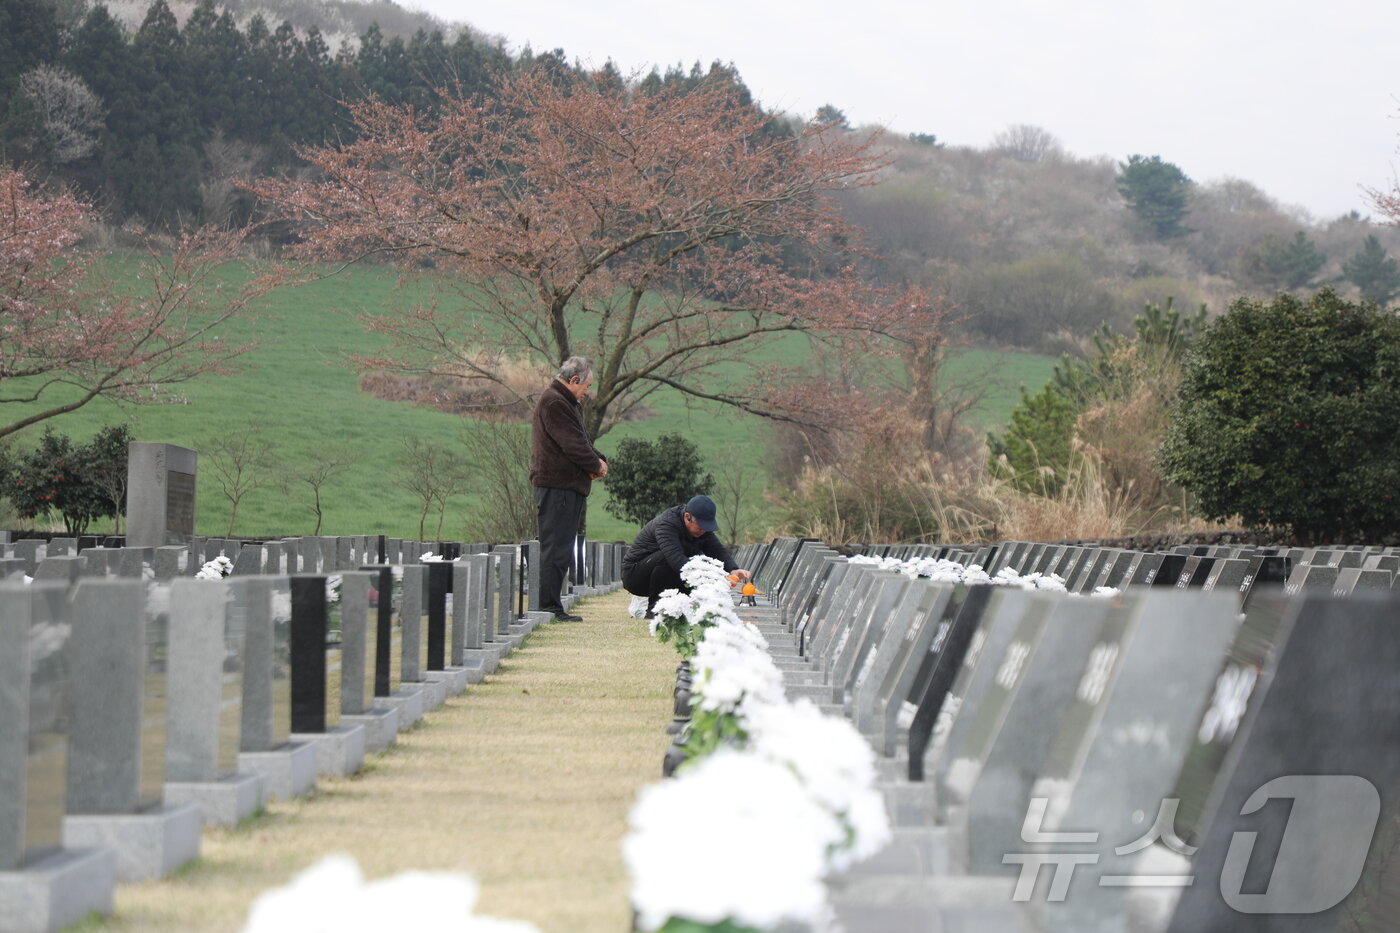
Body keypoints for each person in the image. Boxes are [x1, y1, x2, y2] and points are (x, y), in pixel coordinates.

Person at [531, 356, 608, 621]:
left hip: (565, 486)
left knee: (561, 546)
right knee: (556, 547)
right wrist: (595, 465)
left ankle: (552, 604)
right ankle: (549, 606)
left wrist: (600, 460)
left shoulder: (564, 402)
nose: (588, 391)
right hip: (557, 486)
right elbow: (572, 444)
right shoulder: (554, 401)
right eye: (587, 385)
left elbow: (582, 439)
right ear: (574, 380)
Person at [622, 494, 751, 616]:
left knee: (693, 563)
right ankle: (655, 610)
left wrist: (733, 569)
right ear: (687, 517)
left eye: (707, 527)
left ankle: (682, 609)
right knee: (674, 560)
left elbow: (717, 550)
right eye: (700, 527)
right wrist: (711, 577)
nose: (704, 531)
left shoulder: (702, 530)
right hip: (636, 575)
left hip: (663, 572)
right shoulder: (667, 524)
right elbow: (676, 561)